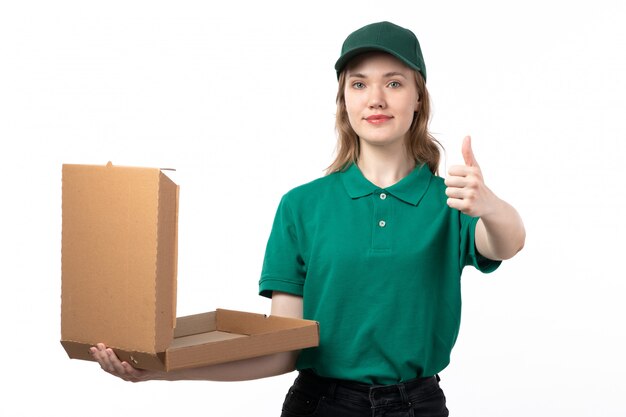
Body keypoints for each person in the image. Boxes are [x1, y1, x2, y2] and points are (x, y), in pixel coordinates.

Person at [91, 21, 525, 417]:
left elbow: (506, 244)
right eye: (359, 84)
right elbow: (283, 351)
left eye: (394, 83)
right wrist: (162, 372)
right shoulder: (302, 206)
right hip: (321, 406)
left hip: (418, 406)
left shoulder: (451, 202)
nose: (376, 98)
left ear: (418, 98)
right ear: (345, 100)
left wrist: (490, 205)